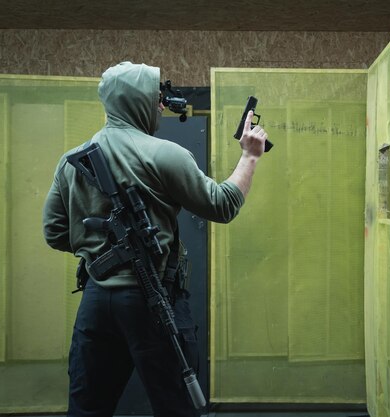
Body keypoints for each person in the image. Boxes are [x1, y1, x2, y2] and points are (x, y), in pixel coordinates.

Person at [42, 61, 268, 417]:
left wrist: (102, 253)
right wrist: (250, 156)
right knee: (176, 406)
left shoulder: (71, 160)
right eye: (154, 98)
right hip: (153, 301)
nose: (160, 106)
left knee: (87, 408)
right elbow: (223, 205)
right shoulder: (166, 155)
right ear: (137, 102)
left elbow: (54, 232)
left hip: (97, 301)